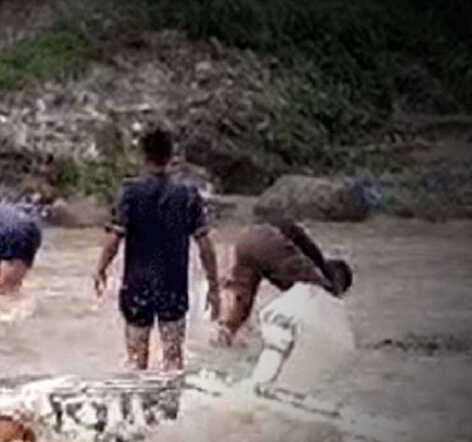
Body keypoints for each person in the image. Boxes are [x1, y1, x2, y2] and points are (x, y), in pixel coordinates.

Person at [93, 129, 220, 371]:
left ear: (143, 155)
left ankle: (138, 407)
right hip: (173, 284)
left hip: (137, 285)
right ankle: (170, 408)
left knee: (136, 359)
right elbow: (205, 244)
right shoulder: (187, 194)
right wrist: (213, 286)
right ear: (172, 155)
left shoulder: (131, 193)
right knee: (173, 359)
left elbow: (115, 238)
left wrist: (101, 269)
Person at [215, 219, 352, 346]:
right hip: (267, 239)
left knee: (243, 300)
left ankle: (226, 335)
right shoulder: (317, 266)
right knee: (321, 292)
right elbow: (324, 293)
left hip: (246, 239)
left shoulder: (302, 258)